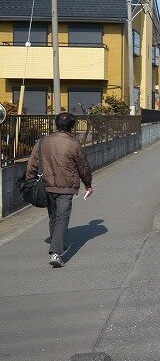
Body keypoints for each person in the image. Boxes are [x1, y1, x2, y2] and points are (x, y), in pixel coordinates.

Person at [26, 112, 93, 268]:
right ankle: (56, 252)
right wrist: (88, 184)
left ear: (56, 124)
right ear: (72, 126)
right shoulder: (74, 143)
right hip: (66, 187)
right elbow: (83, 167)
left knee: (54, 216)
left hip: (47, 184)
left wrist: (29, 180)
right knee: (62, 217)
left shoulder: (43, 141)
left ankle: (56, 242)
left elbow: (32, 163)